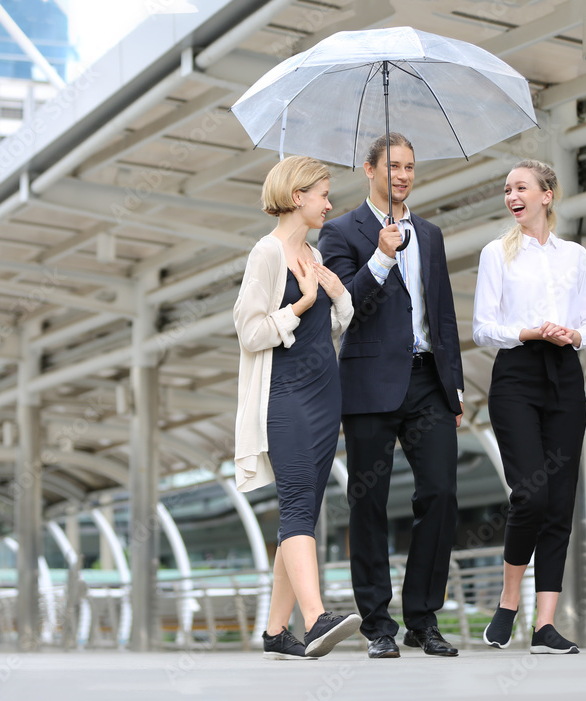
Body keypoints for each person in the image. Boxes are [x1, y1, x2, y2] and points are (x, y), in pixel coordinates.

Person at [318, 133, 464, 659]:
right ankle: (378, 624)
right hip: (368, 382)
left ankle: (422, 618)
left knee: (442, 494)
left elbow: (443, 313)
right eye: (393, 166)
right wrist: (379, 259)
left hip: (428, 380)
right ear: (369, 169)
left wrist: (455, 384)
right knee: (369, 503)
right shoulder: (340, 231)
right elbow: (340, 306)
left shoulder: (430, 233)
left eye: (409, 166)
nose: (402, 175)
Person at [233, 155, 361, 660]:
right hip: (283, 396)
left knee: (305, 507)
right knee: (297, 502)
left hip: (325, 394)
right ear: (295, 196)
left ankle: (273, 633)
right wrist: (301, 303)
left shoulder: (314, 253)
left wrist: (333, 294)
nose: (330, 204)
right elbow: (250, 331)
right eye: (323, 195)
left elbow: (328, 329)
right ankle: (316, 619)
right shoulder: (266, 254)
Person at [472, 159, 586, 654]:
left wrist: (573, 335)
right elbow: (483, 327)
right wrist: (527, 331)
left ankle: (544, 626)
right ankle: (508, 601)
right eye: (507, 190)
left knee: (560, 501)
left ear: (547, 195)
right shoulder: (495, 254)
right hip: (516, 376)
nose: (511, 196)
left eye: (520, 187)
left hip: (566, 375)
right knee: (531, 494)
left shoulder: (575, 256)